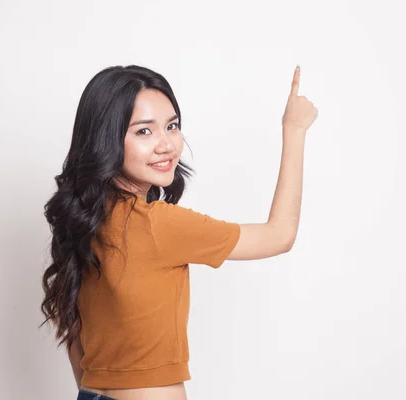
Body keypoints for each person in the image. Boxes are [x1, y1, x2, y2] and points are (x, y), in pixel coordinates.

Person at [40, 64, 318, 400]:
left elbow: (76, 341)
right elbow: (279, 235)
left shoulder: (83, 221)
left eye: (172, 126)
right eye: (144, 131)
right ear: (106, 139)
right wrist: (295, 129)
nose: (167, 145)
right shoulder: (159, 224)